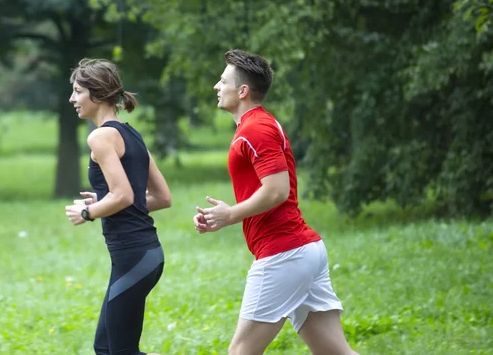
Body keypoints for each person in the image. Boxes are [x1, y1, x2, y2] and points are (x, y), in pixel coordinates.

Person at [194, 50, 358, 355]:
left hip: (284, 254)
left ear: (242, 91)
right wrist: (222, 214)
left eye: (222, 80)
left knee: (240, 353)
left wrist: (230, 215)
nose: (217, 86)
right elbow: (264, 191)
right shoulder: (255, 125)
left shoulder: (255, 129)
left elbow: (277, 191)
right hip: (302, 251)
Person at [64, 58, 171, 355]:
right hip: (145, 255)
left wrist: (88, 212)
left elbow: (123, 195)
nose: (73, 99)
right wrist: (105, 202)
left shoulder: (100, 137)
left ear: (96, 95)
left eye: (78, 91)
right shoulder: (131, 134)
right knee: (106, 347)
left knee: (119, 351)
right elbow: (161, 198)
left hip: (134, 255)